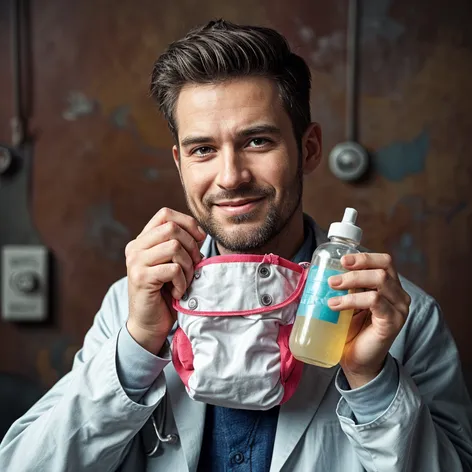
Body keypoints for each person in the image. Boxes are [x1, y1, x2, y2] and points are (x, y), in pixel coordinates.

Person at [1, 19, 471, 472]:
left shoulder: (404, 319)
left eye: (258, 141)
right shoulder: (130, 307)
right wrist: (137, 348)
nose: (230, 177)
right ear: (181, 164)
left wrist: (372, 382)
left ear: (308, 149)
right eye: (203, 149)